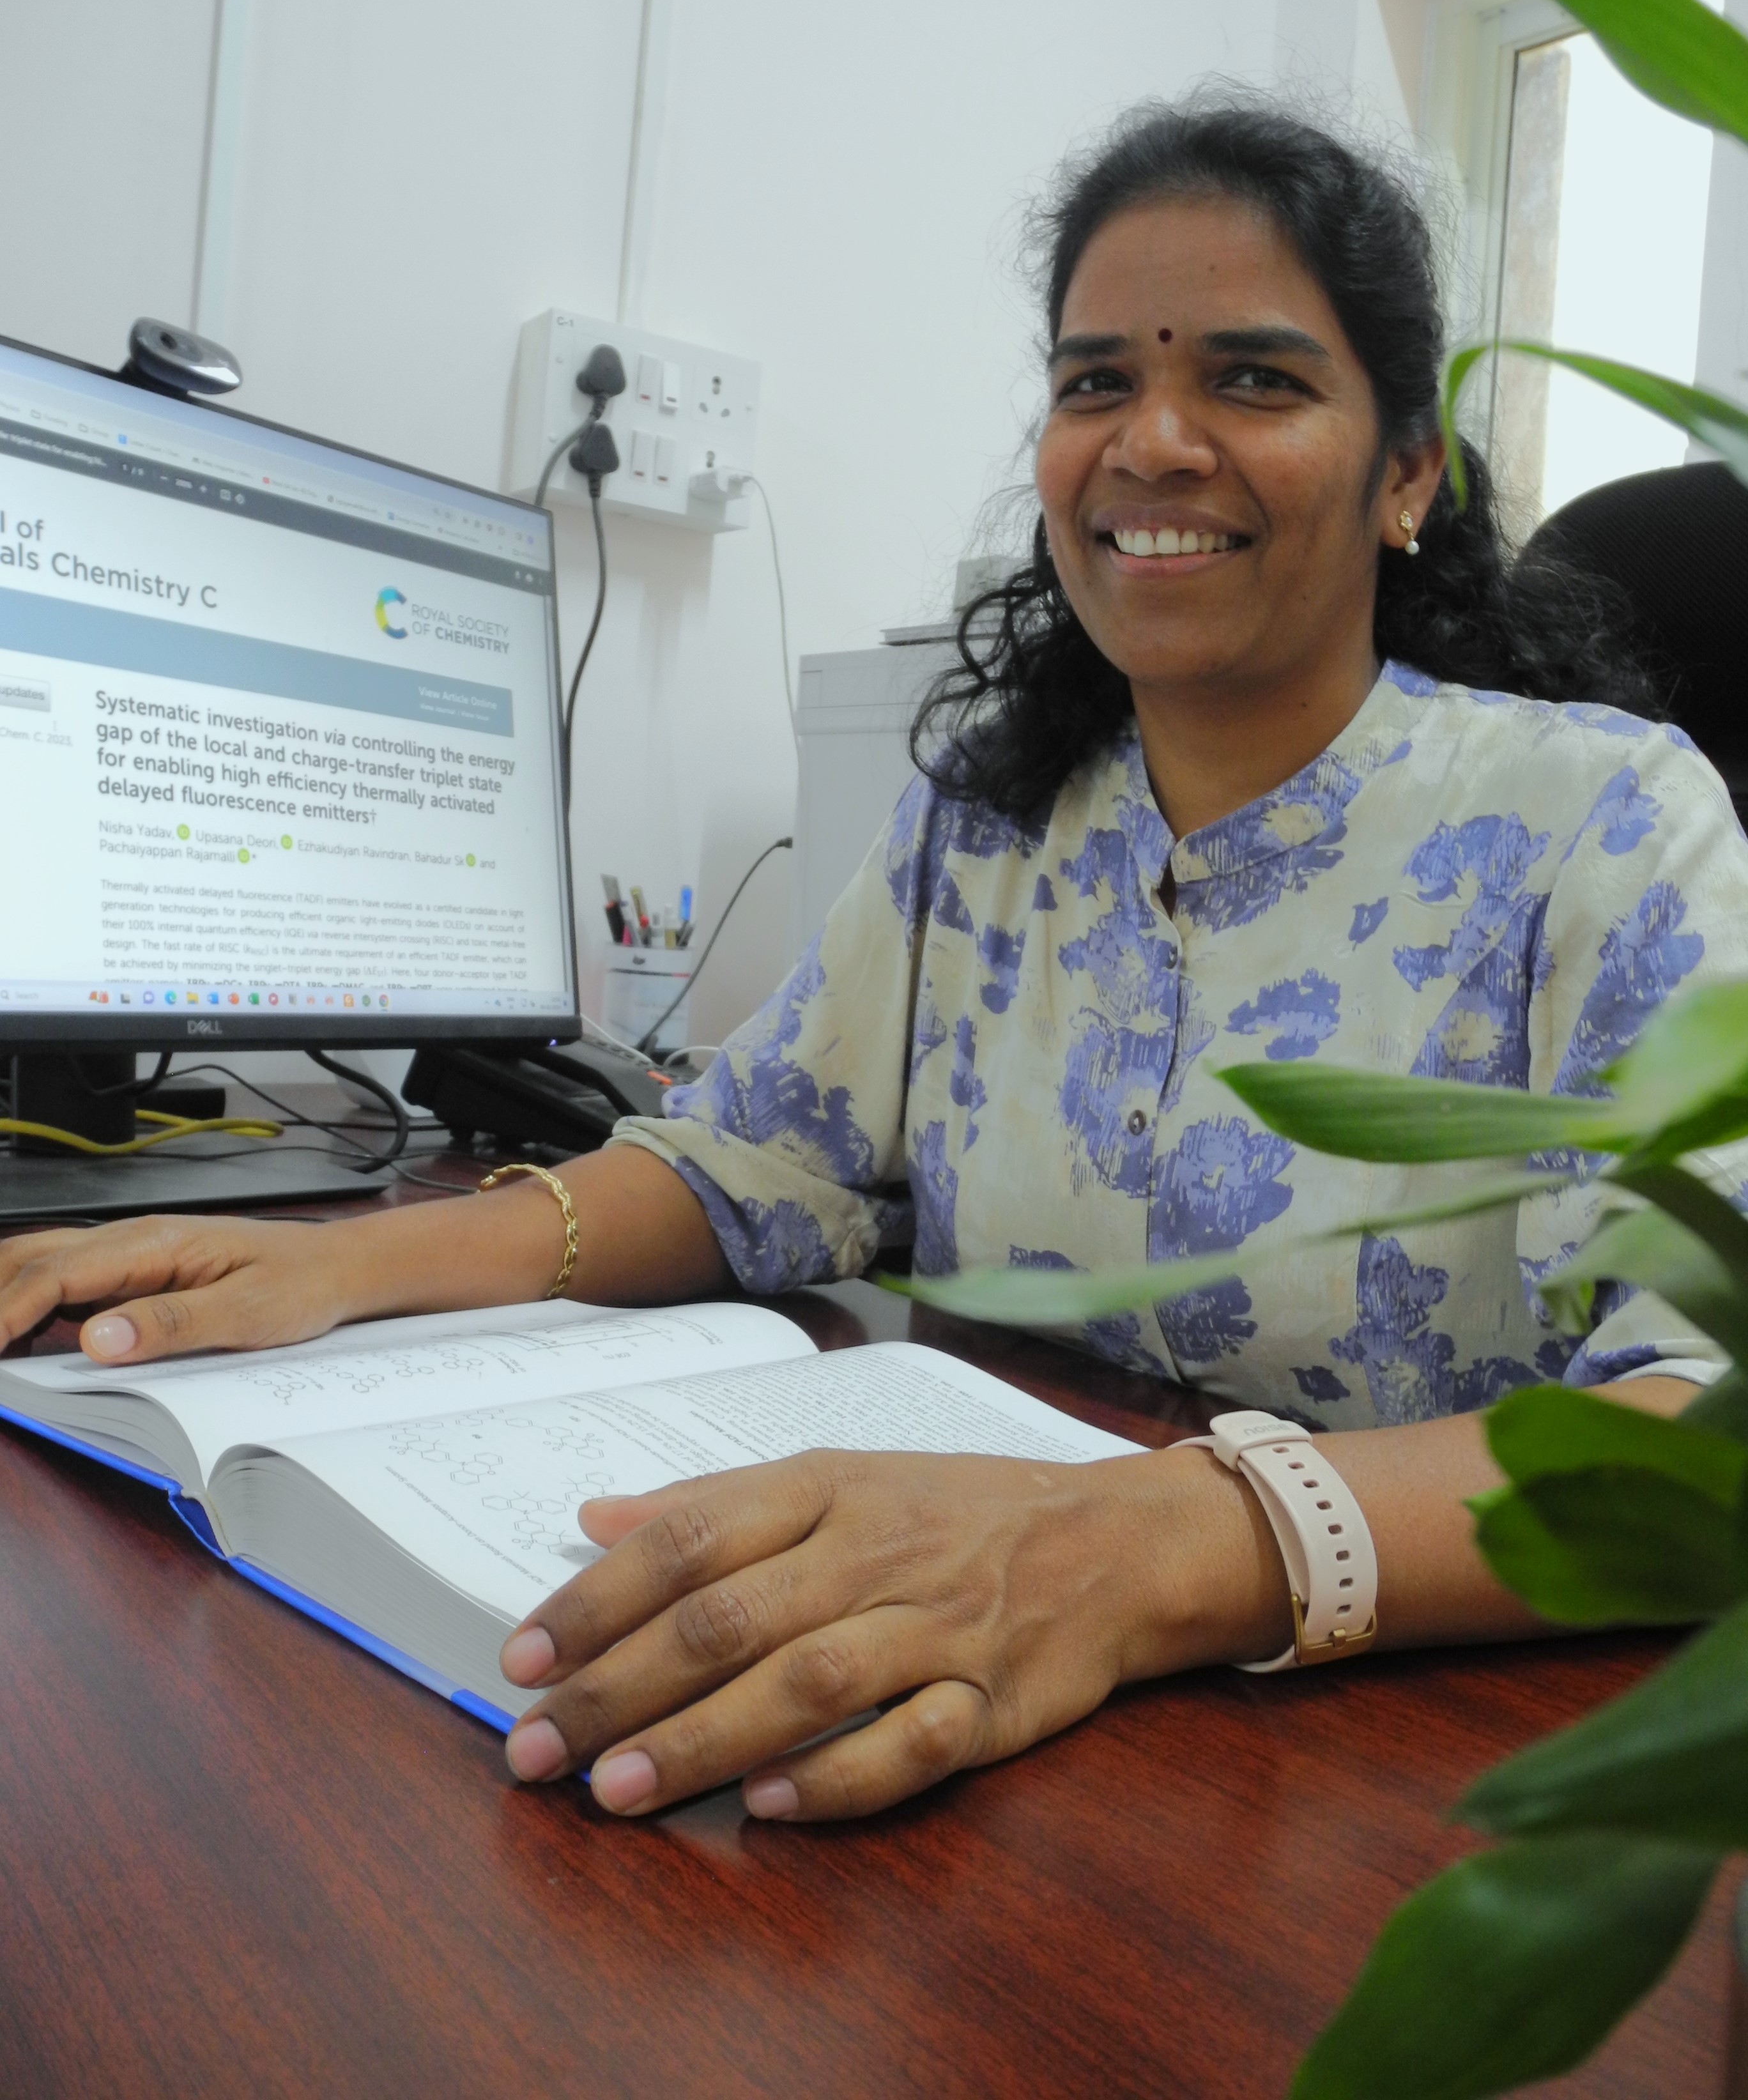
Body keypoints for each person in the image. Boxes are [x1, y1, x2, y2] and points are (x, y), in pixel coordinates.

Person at [4, 98, 1745, 1826]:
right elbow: (756, 1159)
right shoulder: (986, 820)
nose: (1154, 440)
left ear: (1408, 473)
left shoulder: (1602, 827)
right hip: (980, 1719)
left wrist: (1148, 1547)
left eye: (1254, 379)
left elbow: (1705, 1423)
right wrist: (346, 1269)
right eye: (1095, 382)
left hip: (1422, 1769)